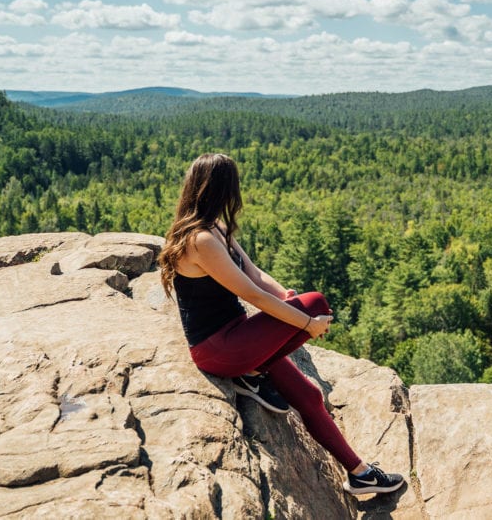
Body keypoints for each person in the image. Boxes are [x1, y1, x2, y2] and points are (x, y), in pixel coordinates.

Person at [158, 153, 405, 497]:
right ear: (222, 189)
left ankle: (360, 474)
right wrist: (305, 321)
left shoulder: (216, 228)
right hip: (218, 349)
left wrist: (285, 295)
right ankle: (249, 370)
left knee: (309, 395)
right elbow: (251, 294)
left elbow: (255, 275)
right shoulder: (200, 240)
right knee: (316, 301)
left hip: (239, 338)